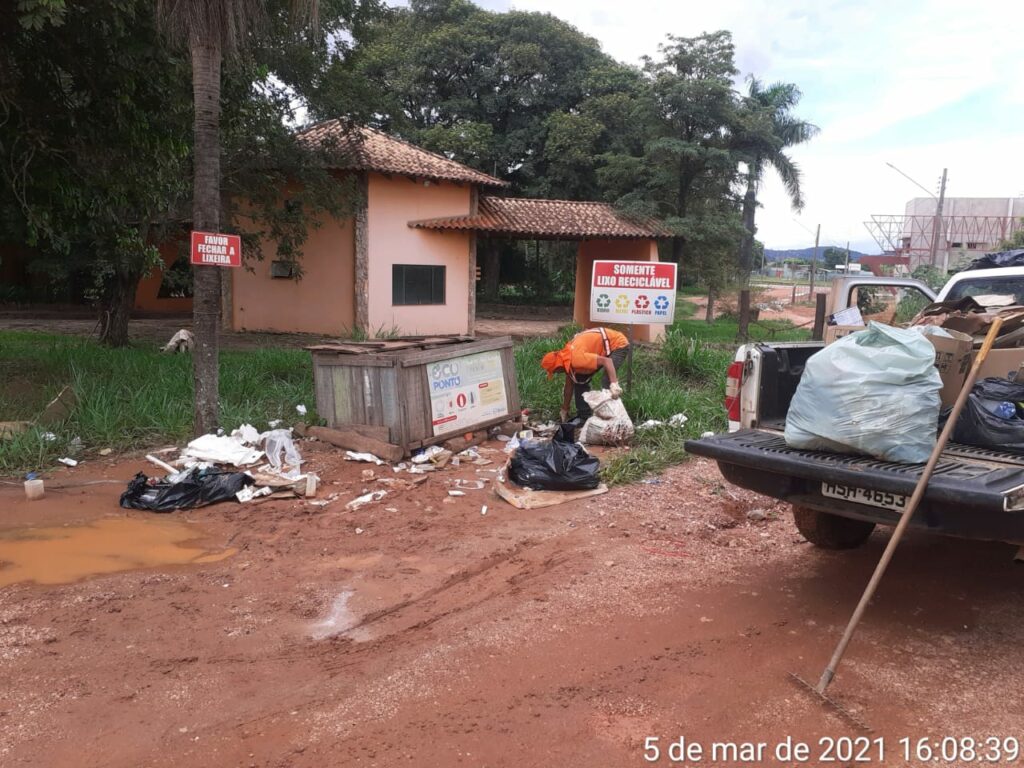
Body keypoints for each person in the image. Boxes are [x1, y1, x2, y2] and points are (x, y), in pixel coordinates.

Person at [540, 327, 630, 423]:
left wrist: (614, 383)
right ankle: (584, 416)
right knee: (579, 379)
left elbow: (606, 361)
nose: (557, 373)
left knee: (606, 379)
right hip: (601, 347)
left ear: (558, 367)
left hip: (617, 344)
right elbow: (569, 386)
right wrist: (564, 409)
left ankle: (612, 417)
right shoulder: (566, 358)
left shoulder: (576, 358)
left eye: (555, 371)